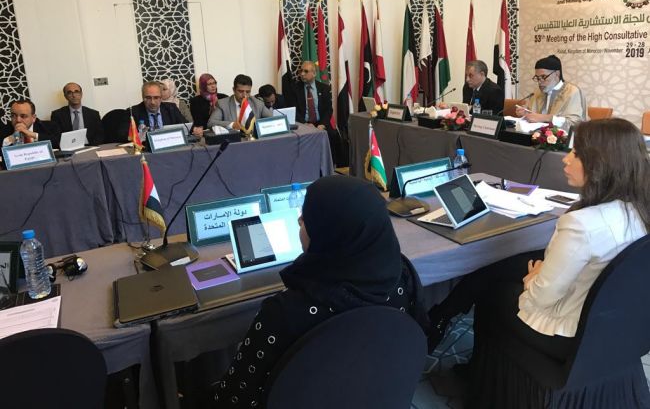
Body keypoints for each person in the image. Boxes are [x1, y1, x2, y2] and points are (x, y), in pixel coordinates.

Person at [428, 118, 650, 364]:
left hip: (565, 332)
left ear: (600, 164)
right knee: (501, 265)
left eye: (576, 154)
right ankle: (443, 315)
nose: (565, 159)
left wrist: (533, 278)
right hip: (609, 321)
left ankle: (465, 354)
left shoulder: (582, 224)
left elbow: (540, 299)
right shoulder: (638, 210)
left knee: (493, 290)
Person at [210, 175, 429, 407]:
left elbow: (233, 397)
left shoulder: (284, 313)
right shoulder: (403, 277)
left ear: (328, 233)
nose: (299, 219)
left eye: (307, 217)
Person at [516, 55, 586, 129]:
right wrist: (526, 113)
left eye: (543, 77)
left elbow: (575, 124)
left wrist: (546, 118)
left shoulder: (572, 91)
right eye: (537, 78)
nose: (540, 82)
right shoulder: (538, 91)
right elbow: (534, 115)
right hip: (537, 133)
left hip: (563, 135)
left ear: (557, 74)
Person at [207, 74, 272, 132]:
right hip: (234, 140)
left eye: (248, 92)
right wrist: (232, 125)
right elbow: (211, 123)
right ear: (234, 90)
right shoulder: (222, 104)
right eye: (241, 91)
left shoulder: (258, 103)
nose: (244, 95)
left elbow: (272, 120)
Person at [285, 61, 332, 130]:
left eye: (306, 71)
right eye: (301, 71)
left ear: (314, 73)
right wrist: (304, 124)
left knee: (333, 134)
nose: (302, 74)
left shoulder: (324, 88)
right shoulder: (294, 89)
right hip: (303, 124)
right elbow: (293, 110)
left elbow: (328, 109)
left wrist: (322, 124)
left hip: (321, 124)